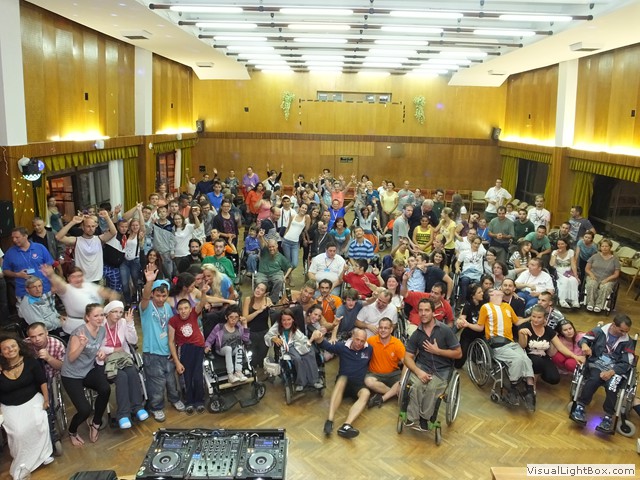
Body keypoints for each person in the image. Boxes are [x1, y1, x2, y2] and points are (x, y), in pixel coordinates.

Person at [460, 289, 535, 411]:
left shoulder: (507, 307)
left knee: (526, 359)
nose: (499, 290)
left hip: (511, 342)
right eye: (495, 291)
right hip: (497, 343)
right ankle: (512, 389)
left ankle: (530, 391)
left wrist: (531, 318)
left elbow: (517, 322)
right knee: (517, 359)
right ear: (491, 295)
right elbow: (480, 327)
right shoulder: (486, 307)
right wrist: (467, 324)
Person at [403, 299, 462, 430]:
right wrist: (418, 372)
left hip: (442, 369)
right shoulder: (417, 334)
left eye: (427, 310)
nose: (423, 313)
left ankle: (425, 418)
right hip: (423, 367)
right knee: (416, 386)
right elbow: (407, 357)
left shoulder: (445, 330)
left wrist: (438, 351)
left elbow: (458, 353)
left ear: (433, 312)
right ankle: (412, 418)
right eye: (421, 310)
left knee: (432, 388)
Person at [0, 334, 53, 477]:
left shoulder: (30, 362)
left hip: (32, 399)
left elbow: (42, 381)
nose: (10, 350)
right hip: (9, 405)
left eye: (13, 346)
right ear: (1, 353)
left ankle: (43, 454)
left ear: (19, 347)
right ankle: (22, 463)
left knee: (38, 422)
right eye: (5, 348)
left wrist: (46, 399)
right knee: (18, 432)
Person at [570, 315, 633, 433]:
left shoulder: (627, 341)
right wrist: (584, 345)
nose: (624, 333)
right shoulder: (599, 331)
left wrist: (611, 372)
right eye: (622, 330)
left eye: (626, 331)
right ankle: (581, 406)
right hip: (597, 363)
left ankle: (608, 416)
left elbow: (627, 363)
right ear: (614, 325)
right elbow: (583, 339)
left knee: (612, 386)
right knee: (593, 379)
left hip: (615, 369)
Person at [139, 265, 186, 423]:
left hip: (168, 351)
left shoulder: (167, 306)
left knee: (171, 381)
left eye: (164, 295)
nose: (160, 299)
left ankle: (174, 399)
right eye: (157, 295)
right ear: (153, 294)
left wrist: (174, 350)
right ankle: (156, 407)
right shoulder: (146, 307)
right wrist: (149, 282)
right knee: (156, 384)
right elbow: (145, 297)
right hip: (152, 353)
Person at [60, 303, 111, 445]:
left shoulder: (102, 330)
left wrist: (101, 353)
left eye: (102, 315)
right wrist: (82, 345)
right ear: (87, 317)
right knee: (84, 410)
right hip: (71, 375)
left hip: (88, 370)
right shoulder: (79, 333)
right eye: (96, 316)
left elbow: (97, 348)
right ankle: (72, 431)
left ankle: (96, 423)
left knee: (105, 389)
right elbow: (71, 358)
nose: (100, 318)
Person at [312, 327, 372, 439]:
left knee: (366, 393)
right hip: (343, 383)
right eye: (357, 339)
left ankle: (346, 426)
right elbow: (326, 345)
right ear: (352, 337)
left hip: (357, 384)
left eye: (362, 341)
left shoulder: (369, 349)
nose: (359, 343)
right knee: (342, 380)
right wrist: (318, 337)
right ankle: (329, 421)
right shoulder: (342, 346)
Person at [100, 301, 148, 428]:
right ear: (107, 313)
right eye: (115, 312)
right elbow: (96, 347)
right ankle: (123, 414)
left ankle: (137, 407)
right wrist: (113, 350)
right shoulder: (100, 324)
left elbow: (133, 341)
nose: (118, 315)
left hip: (123, 358)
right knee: (121, 377)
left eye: (120, 312)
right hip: (107, 360)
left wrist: (130, 323)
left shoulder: (122, 322)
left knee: (132, 372)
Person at [518, 305, 584, 386]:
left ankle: (536, 373)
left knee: (554, 378)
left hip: (543, 356)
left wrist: (575, 356)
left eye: (539, 317)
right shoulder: (525, 327)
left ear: (544, 318)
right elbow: (522, 346)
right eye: (533, 316)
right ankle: (532, 384)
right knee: (537, 361)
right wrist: (521, 334)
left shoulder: (548, 330)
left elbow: (560, 347)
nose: (535, 319)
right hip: (528, 355)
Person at [25, 322, 66, 455]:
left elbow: (62, 367)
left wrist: (48, 358)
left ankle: (50, 432)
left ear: (47, 333)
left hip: (51, 376)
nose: (37, 339)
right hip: (32, 380)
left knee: (48, 403)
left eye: (40, 335)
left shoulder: (56, 344)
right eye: (33, 337)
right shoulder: (25, 346)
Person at [42, 264, 118, 334]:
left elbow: (111, 294)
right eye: (74, 277)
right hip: (75, 329)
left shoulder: (89, 285)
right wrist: (52, 275)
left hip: (96, 326)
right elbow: (59, 283)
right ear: (68, 278)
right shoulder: (66, 289)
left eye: (80, 276)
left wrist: (111, 308)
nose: (78, 279)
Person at [265, 309, 323, 391]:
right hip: (287, 346)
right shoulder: (277, 326)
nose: (286, 322)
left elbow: (302, 339)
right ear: (281, 321)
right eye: (284, 320)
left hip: (297, 344)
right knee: (297, 358)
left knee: (309, 354)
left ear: (292, 319)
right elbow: (267, 336)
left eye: (289, 319)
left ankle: (314, 381)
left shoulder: (295, 328)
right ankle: (301, 382)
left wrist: (308, 342)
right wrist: (273, 338)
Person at [169, 293, 208, 414]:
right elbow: (171, 341)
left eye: (186, 308)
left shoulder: (194, 313)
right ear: (177, 311)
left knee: (198, 376)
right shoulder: (173, 320)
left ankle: (199, 401)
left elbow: (202, 303)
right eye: (180, 309)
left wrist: (203, 292)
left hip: (198, 348)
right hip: (185, 349)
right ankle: (189, 401)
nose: (183, 311)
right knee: (186, 377)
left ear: (190, 309)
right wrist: (177, 361)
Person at [56, 211, 117, 282]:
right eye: (88, 226)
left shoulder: (99, 239)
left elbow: (113, 232)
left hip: (98, 278)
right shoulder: (76, 240)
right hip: (82, 280)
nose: (91, 228)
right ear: (83, 227)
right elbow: (58, 237)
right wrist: (72, 222)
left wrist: (107, 217)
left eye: (93, 226)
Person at [3, 227, 55, 300]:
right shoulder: (10, 253)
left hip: (44, 289)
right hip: (23, 292)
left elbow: (50, 268)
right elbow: (5, 271)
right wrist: (17, 274)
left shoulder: (40, 247)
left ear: (25, 236)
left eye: (17, 237)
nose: (14, 240)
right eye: (13, 238)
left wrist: (54, 285)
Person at [364, 317, 405, 407]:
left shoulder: (397, 343)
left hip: (393, 374)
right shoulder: (371, 341)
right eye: (381, 327)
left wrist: (401, 381)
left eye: (386, 328)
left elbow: (406, 363)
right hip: (374, 374)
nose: (383, 330)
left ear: (391, 330)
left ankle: (383, 397)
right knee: (368, 382)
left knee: (404, 383)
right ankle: (394, 392)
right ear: (378, 328)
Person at [205, 306, 250, 383]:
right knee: (228, 348)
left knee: (239, 347)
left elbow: (246, 339)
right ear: (226, 317)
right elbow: (209, 340)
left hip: (234, 349)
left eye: (236, 317)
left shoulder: (239, 326)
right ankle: (230, 375)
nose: (233, 320)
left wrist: (245, 325)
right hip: (222, 349)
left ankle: (238, 372)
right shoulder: (219, 327)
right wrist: (207, 347)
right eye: (231, 317)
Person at [455, 284, 487, 369]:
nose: (482, 293)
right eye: (479, 292)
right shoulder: (468, 305)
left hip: (481, 335)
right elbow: (462, 317)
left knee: (480, 359)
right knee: (459, 362)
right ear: (473, 295)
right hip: (468, 335)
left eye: (482, 291)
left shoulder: (484, 304)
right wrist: (460, 321)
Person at [243, 282, 274, 369]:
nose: (258, 291)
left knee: (261, 360)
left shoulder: (268, 300)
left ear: (265, 293)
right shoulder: (248, 300)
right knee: (252, 360)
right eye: (257, 288)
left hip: (264, 333)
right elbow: (245, 319)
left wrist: (272, 308)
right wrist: (259, 311)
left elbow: (275, 314)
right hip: (251, 333)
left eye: (262, 290)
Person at [584, 238, 620, 313]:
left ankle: (599, 305)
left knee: (605, 287)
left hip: (608, 279)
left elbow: (616, 274)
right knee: (591, 284)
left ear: (610, 247)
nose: (604, 248)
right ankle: (590, 303)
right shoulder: (595, 256)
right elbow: (587, 269)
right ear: (600, 247)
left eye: (606, 246)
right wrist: (591, 274)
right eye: (602, 246)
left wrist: (607, 279)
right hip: (594, 276)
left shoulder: (615, 259)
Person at [255, 236, 292, 304]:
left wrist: (285, 277)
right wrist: (261, 236)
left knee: (280, 280)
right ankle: (261, 299)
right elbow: (262, 243)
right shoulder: (265, 251)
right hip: (262, 273)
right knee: (259, 281)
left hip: (276, 273)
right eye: (270, 247)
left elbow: (289, 267)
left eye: (273, 246)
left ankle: (273, 300)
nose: (271, 248)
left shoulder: (280, 256)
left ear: (277, 246)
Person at [550, 238, 580, 309]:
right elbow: (551, 264)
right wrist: (555, 255)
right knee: (565, 281)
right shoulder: (554, 252)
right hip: (558, 272)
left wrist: (576, 276)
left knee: (574, 281)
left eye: (562, 244)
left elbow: (573, 265)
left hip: (568, 272)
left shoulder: (570, 252)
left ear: (566, 244)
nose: (560, 246)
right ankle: (562, 300)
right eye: (558, 244)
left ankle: (574, 300)